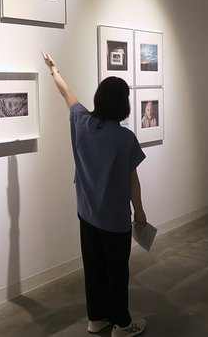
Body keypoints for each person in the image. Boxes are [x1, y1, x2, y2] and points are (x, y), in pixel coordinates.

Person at [41, 51, 147, 337]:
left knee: (94, 268)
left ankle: (96, 318)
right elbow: (133, 180)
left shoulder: (82, 121)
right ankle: (122, 324)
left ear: (99, 98)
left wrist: (54, 69)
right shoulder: (125, 138)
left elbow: (67, 94)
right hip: (114, 220)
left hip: (87, 214)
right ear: (123, 103)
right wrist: (139, 212)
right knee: (117, 272)